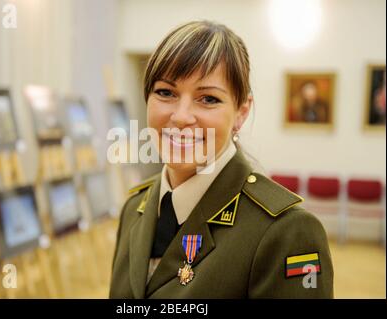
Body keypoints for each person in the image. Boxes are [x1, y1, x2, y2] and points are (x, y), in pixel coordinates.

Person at [109, 21, 333, 298]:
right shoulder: (134, 209)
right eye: (166, 92)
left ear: (241, 112)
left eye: (208, 99)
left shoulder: (286, 232)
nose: (181, 116)